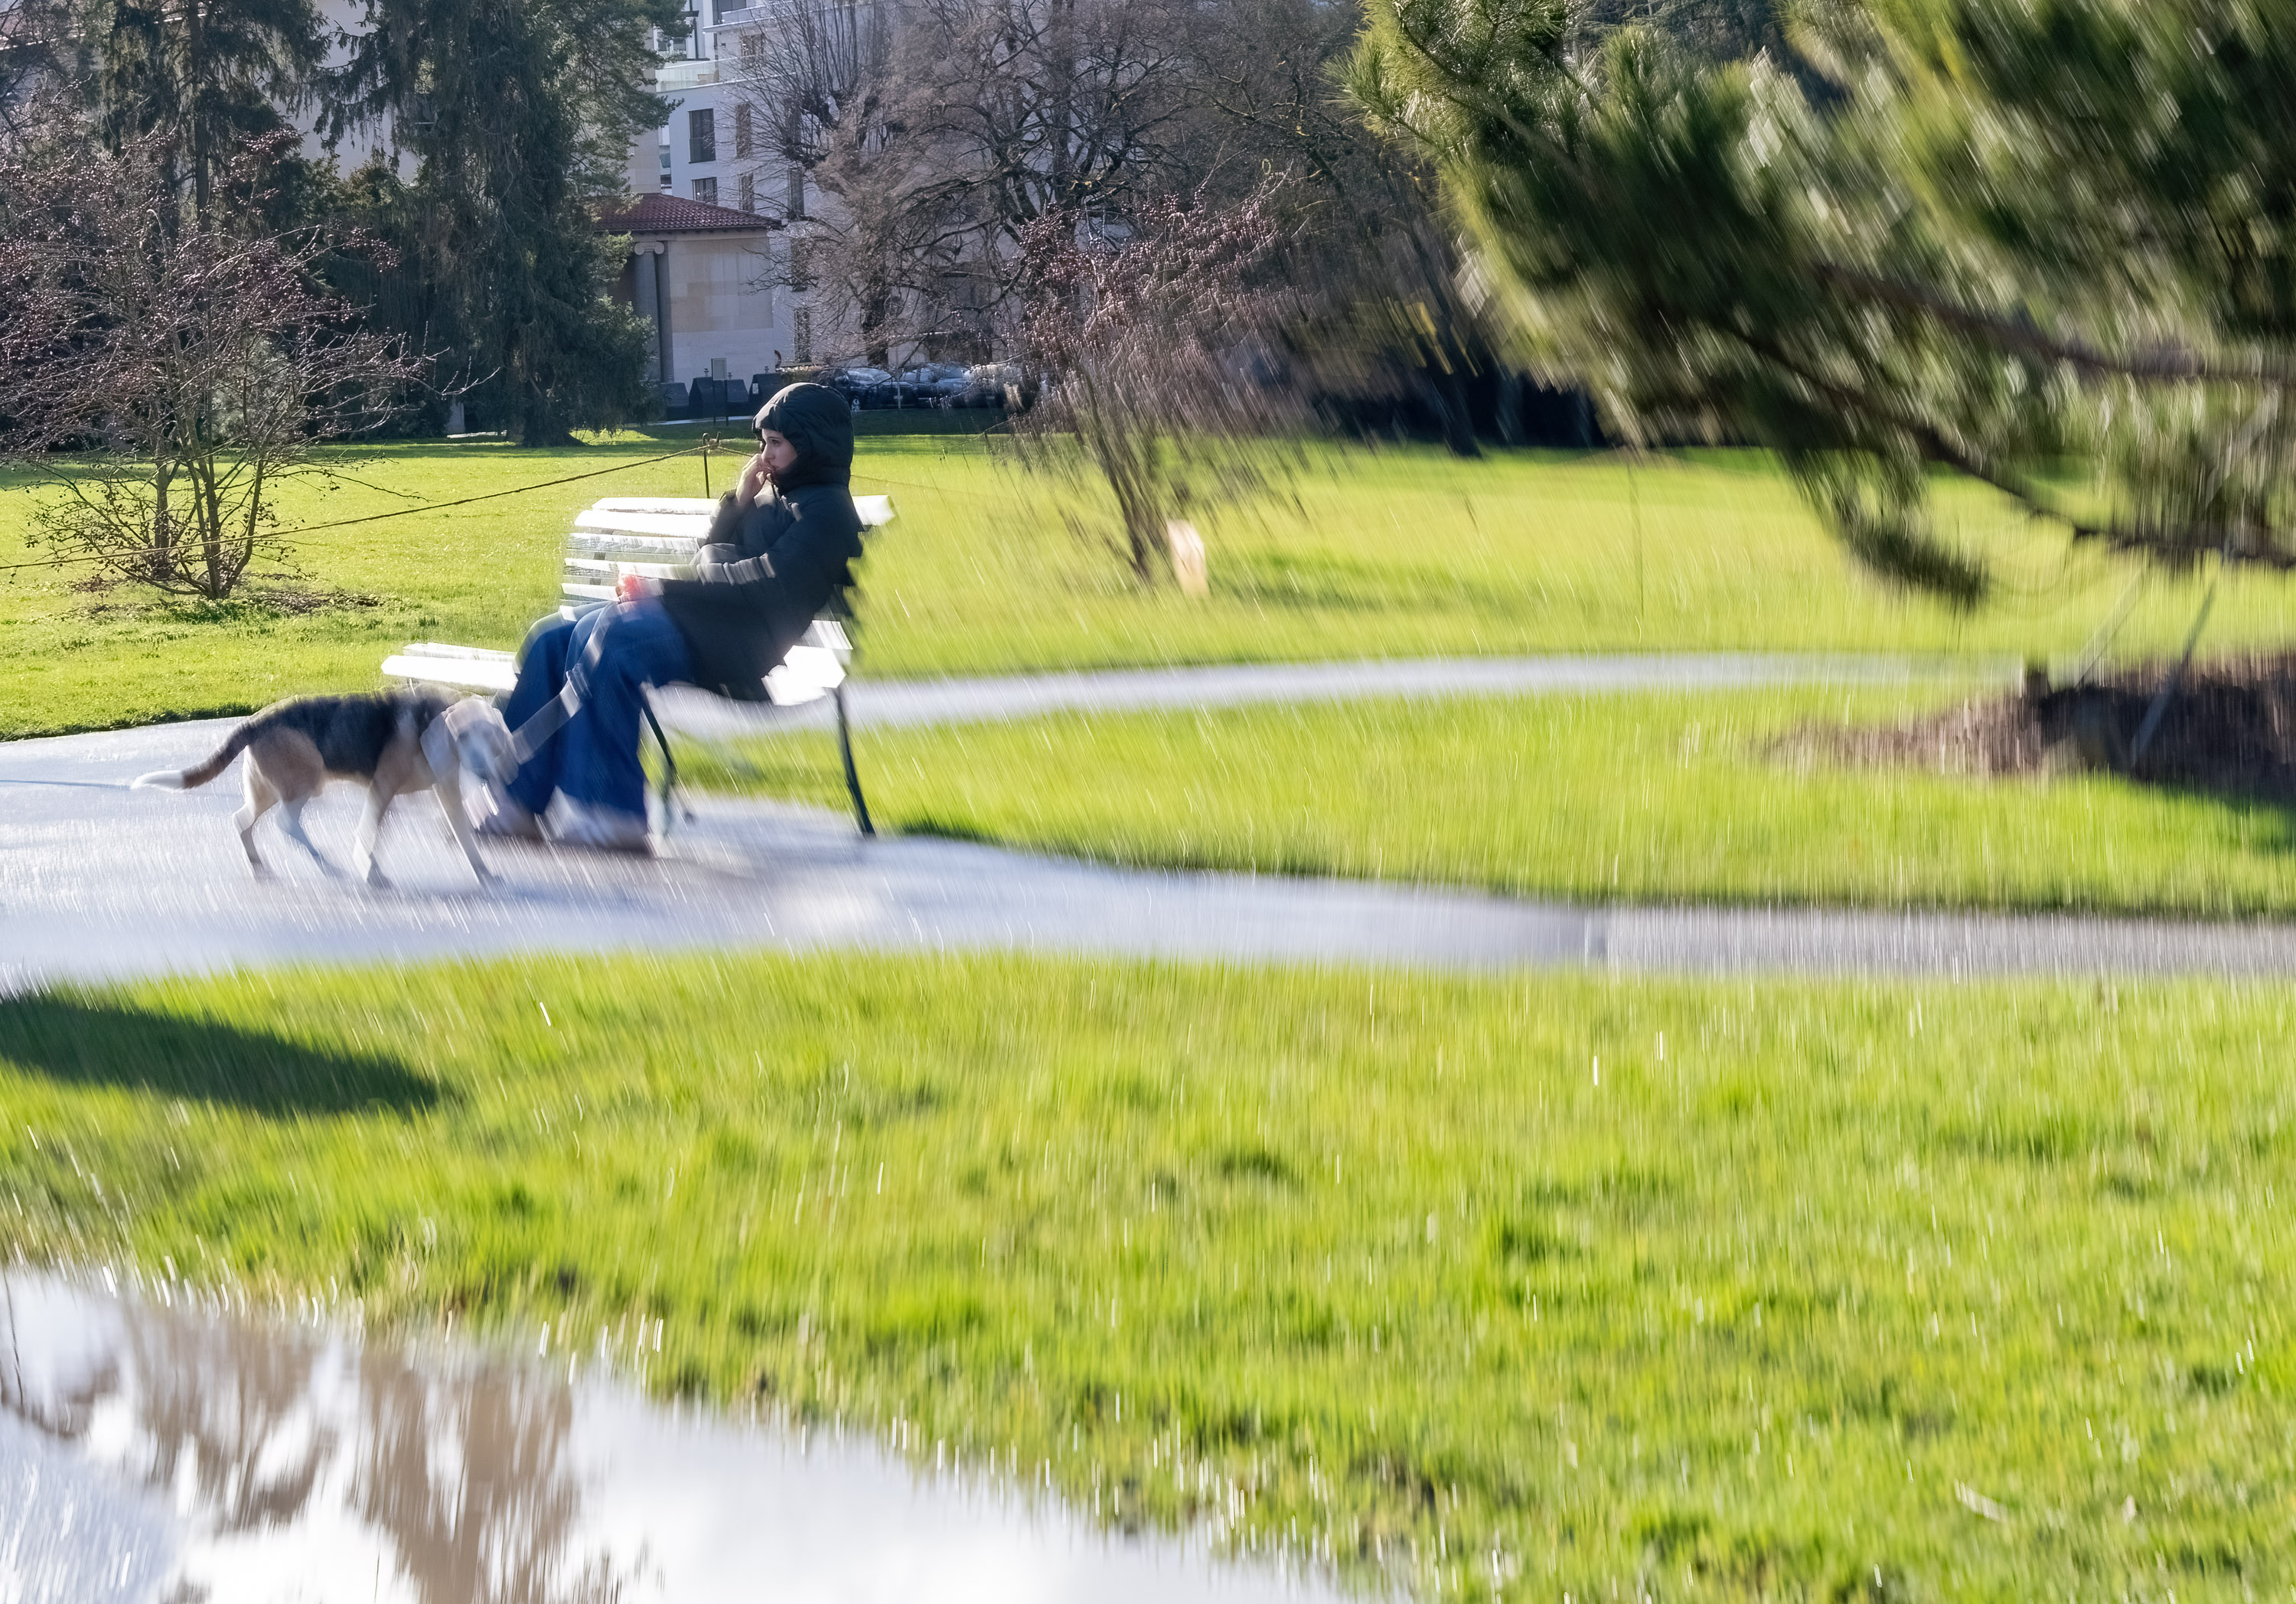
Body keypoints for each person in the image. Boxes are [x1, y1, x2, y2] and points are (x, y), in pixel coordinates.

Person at [476, 382, 866, 851]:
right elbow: (709, 557)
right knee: (553, 637)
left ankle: (614, 813)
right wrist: (739, 501)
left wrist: (662, 588)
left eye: (777, 444)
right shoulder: (773, 495)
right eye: (764, 443)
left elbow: (766, 583)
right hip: (704, 622)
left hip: (740, 643)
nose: (765, 456)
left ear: (812, 445)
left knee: (613, 643)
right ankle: (518, 800)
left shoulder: (827, 513)